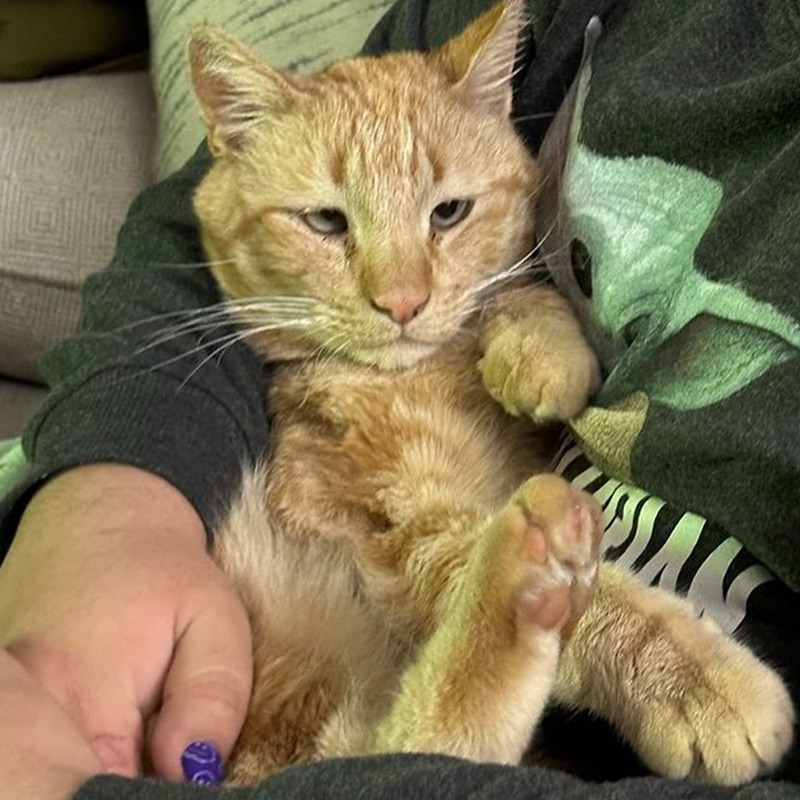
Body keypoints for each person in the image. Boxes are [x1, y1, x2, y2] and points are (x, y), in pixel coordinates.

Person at [1, 0, 799, 798]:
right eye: (327, 221)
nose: (401, 294)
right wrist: (110, 506)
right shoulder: (329, 377)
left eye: (448, 212)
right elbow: (416, 538)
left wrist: (521, 305)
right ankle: (440, 733)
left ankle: (438, 737)